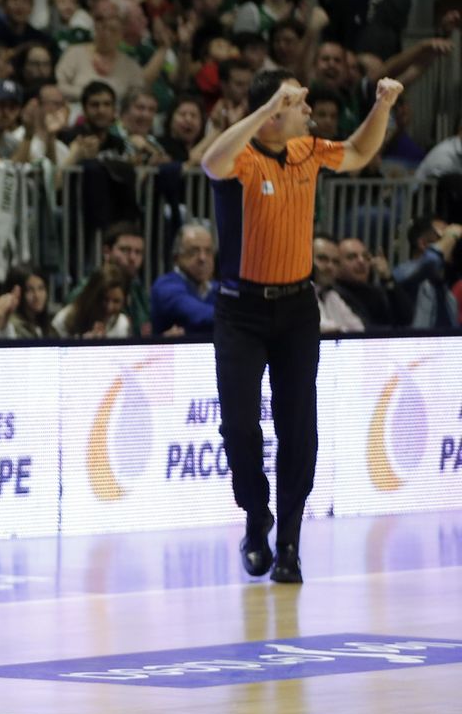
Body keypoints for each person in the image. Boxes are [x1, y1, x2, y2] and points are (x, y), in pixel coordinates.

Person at [203, 69, 402, 585]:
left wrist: (381, 104)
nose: (310, 110)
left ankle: (288, 541)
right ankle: (256, 517)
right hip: (240, 311)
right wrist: (266, 106)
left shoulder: (309, 151)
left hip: (296, 310)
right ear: (274, 110)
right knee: (240, 427)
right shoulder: (241, 157)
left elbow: (358, 154)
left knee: (299, 430)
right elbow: (210, 160)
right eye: (299, 103)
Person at [150, 223, 217, 336]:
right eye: (194, 251)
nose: (202, 258)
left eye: (208, 251)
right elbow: (197, 315)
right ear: (176, 257)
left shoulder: (217, 288)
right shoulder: (166, 286)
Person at [52, 263, 133, 338]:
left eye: (116, 301)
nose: (109, 307)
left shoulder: (122, 324)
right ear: (91, 295)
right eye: (104, 299)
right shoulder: (63, 319)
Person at [311, 236, 364, 334]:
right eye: (322, 259)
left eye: (335, 262)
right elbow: (321, 328)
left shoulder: (331, 294)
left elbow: (358, 328)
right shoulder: (299, 293)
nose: (330, 266)